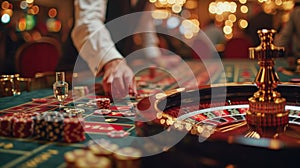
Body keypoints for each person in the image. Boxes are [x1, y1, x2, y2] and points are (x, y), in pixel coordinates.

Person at [71, 0, 179, 98]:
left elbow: (145, 25)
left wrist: (156, 56)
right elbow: (87, 22)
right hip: (78, 71)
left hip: (119, 67)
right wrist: (112, 60)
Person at [274, 0, 300, 68]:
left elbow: (283, 38)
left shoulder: (296, 12)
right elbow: (283, 38)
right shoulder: (296, 13)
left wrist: (273, 50)